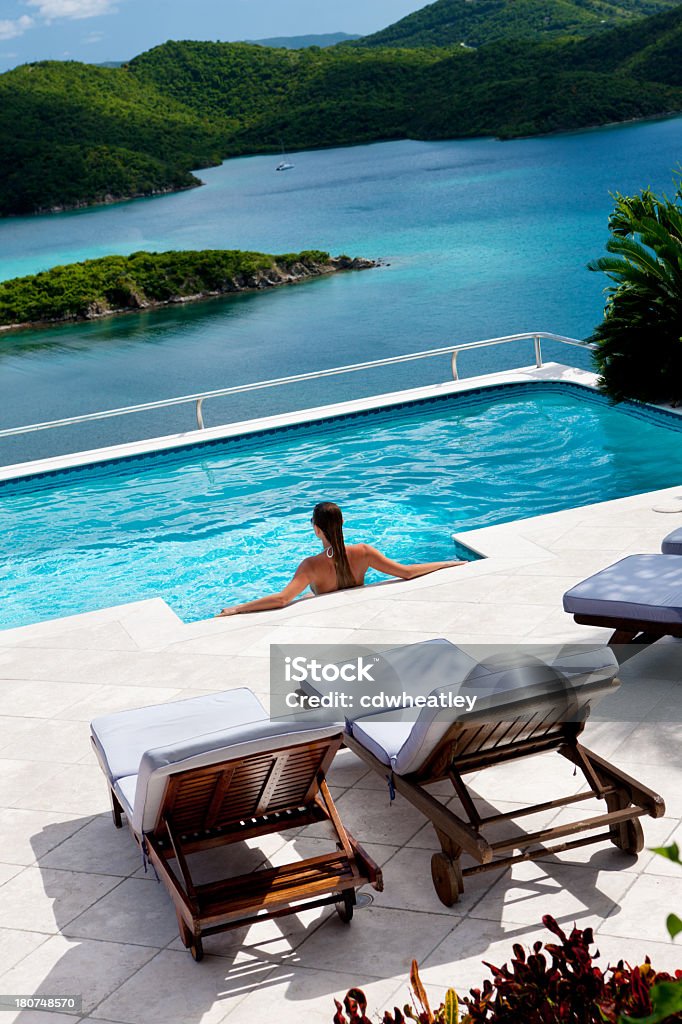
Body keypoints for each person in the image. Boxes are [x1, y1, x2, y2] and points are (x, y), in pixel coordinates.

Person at [217, 501, 464, 616]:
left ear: (316, 529)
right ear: (343, 523)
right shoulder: (364, 552)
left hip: (329, 613)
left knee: (305, 596)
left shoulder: (311, 565)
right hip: (360, 611)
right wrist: (446, 563)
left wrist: (238, 608)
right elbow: (407, 572)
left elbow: (282, 599)